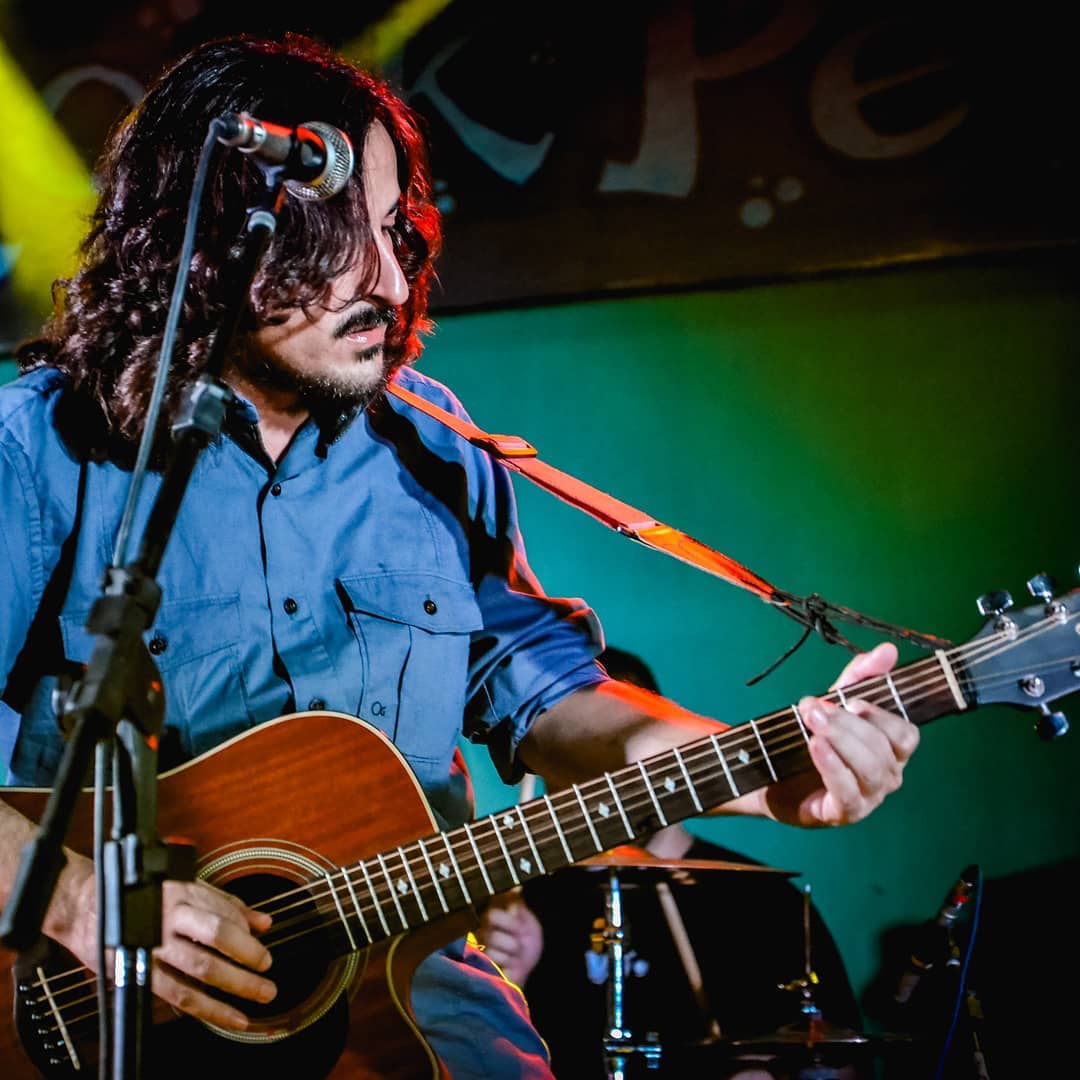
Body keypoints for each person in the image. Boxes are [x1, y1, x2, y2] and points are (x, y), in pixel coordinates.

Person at [0, 33, 919, 1078]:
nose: (392, 281)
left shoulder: (436, 448)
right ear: (210, 237)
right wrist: (78, 899)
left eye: (396, 232)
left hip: (410, 993)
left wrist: (769, 771)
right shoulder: (37, 449)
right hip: (98, 1022)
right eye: (341, 235)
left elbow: (547, 700)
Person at [478, 648, 867, 1080]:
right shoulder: (508, 911)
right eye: (577, 755)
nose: (600, 784)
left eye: (616, 750)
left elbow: (842, 1065)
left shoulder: (764, 903)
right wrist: (502, 986)